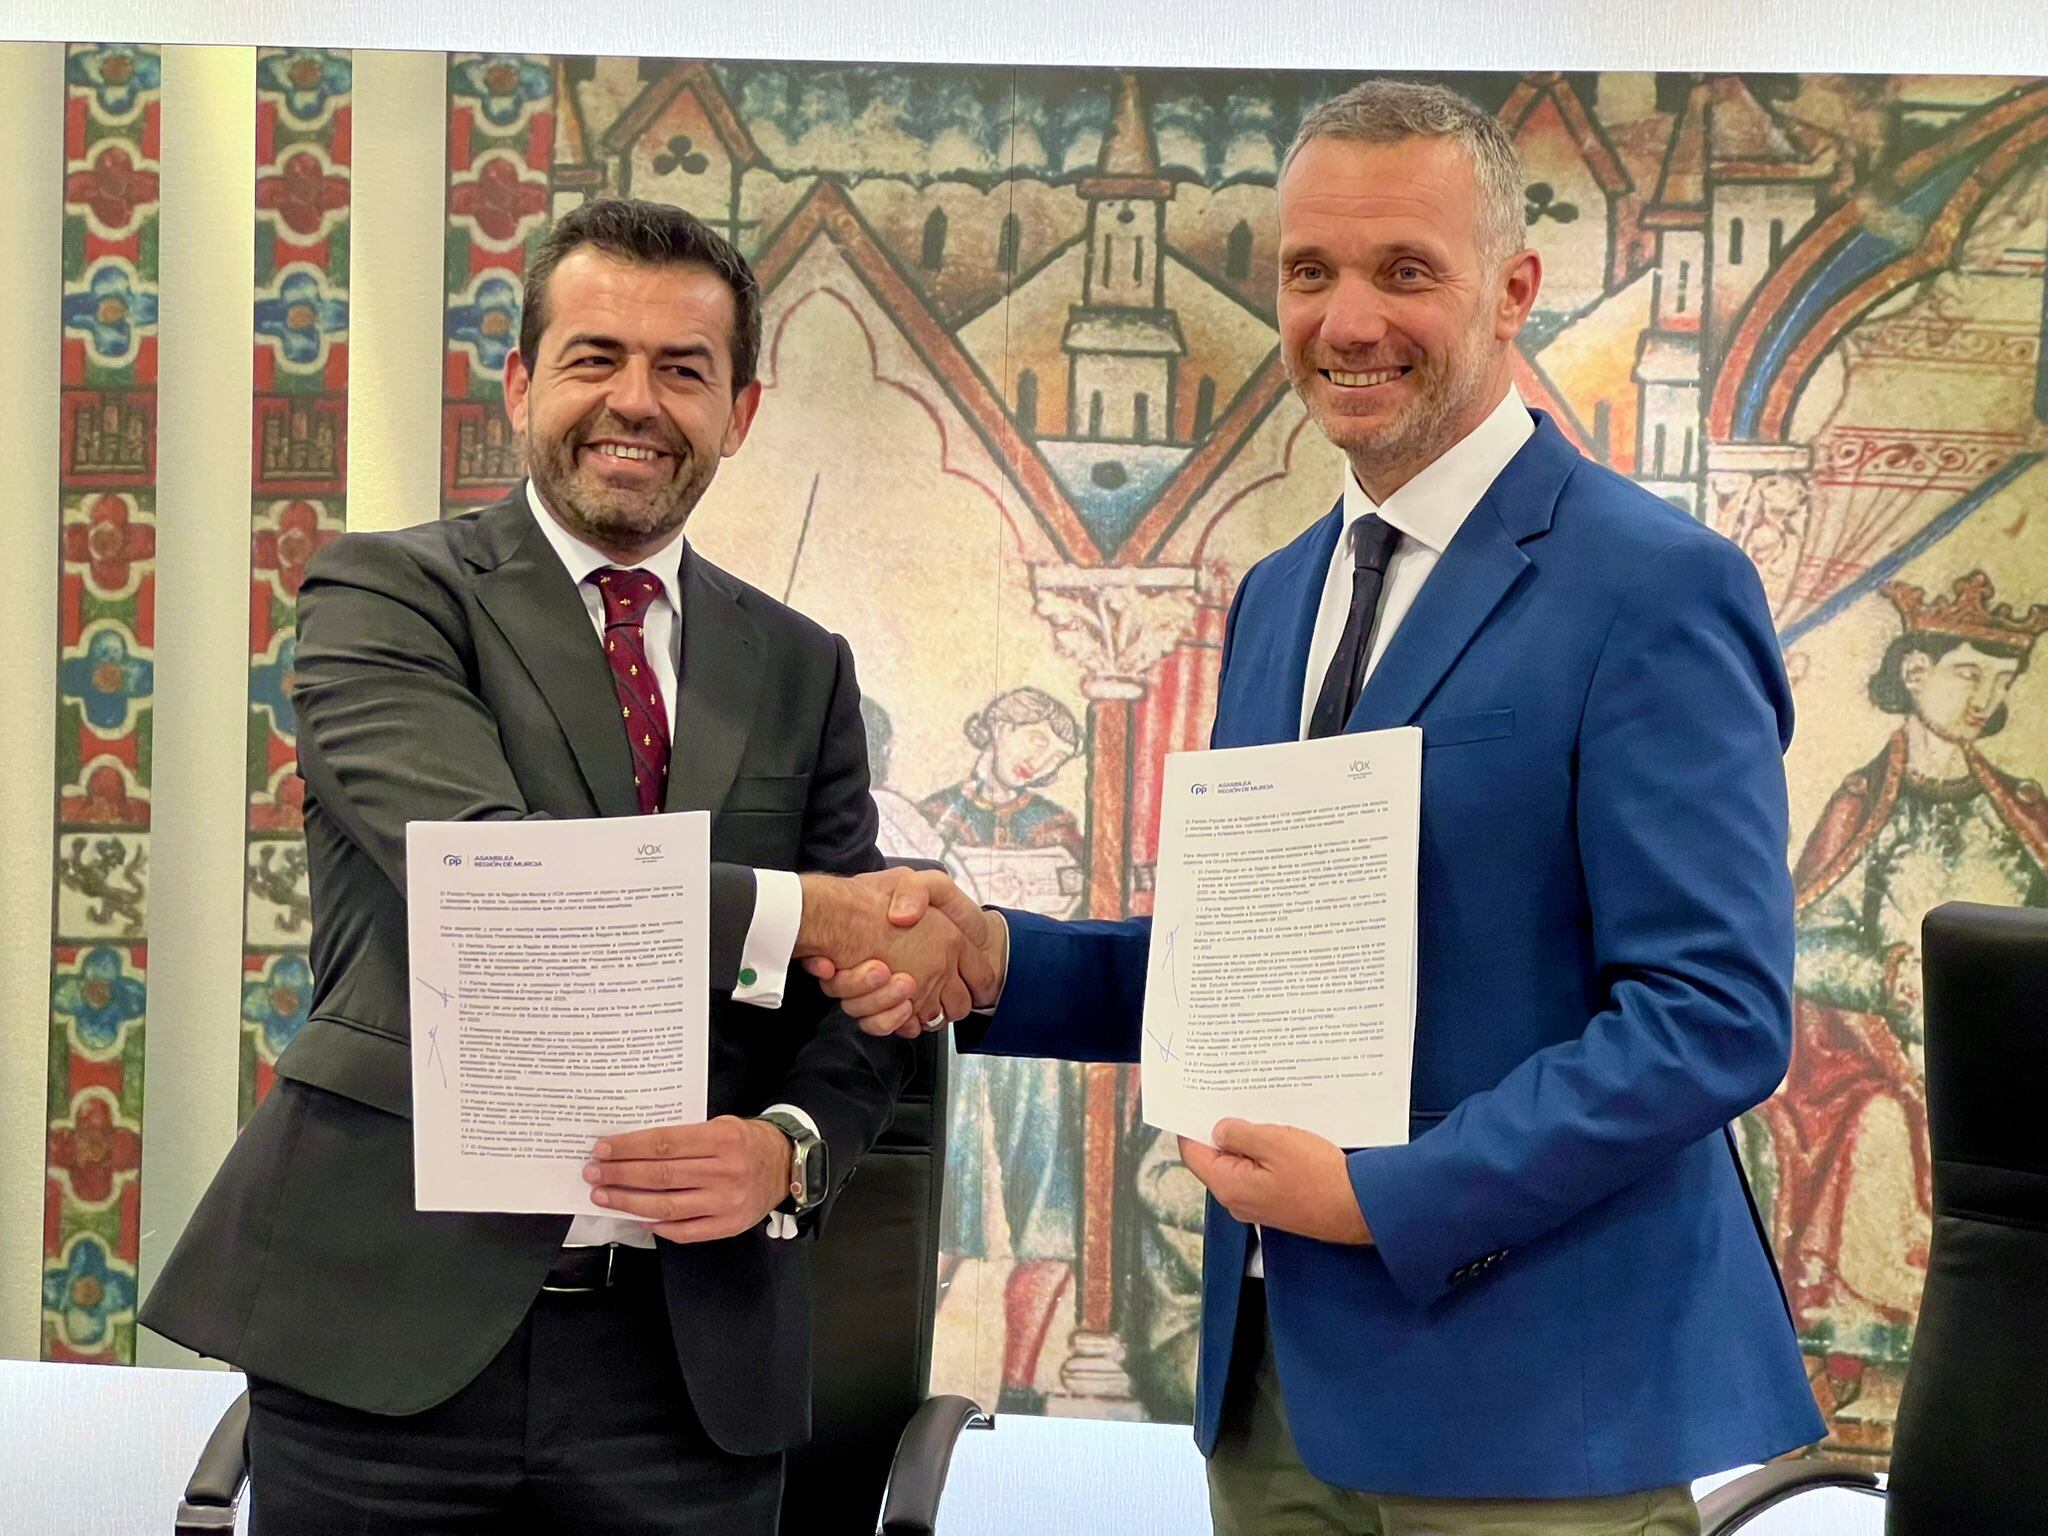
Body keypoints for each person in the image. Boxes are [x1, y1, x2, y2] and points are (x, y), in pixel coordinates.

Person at [817, 80, 1823, 1533]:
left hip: (1536, 1410)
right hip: (1274, 1390)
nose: (1348, 321)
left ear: (1513, 290)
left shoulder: (1654, 585)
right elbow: (1259, 967)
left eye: (1405, 271)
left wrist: (1382, 1198)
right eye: (1309, 272)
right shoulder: (1283, 592)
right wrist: (994, 961)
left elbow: (1710, 1014)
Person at [140, 198, 987, 1535]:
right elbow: (489, 877)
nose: (635, 401)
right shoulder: (386, 596)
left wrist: (786, 1151)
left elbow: (855, 1007)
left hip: (686, 1374)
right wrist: (813, 912)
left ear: (739, 412)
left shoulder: (800, 667)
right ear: (522, 384)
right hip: (382, 1338)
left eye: (682, 369)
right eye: (596, 357)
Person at [1761, 570, 2048, 1426]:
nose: (1984, 697)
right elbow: (1805, 940)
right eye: (1968, 673)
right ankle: (1857, 1364)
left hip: (2005, 1061)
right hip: (1875, 1052)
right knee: (1878, 1125)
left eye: (2001, 681)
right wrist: (1887, 977)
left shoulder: (2019, 811)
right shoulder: (1860, 804)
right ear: (1916, 672)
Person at [921, 687, 1088, 1413]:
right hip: (950, 1036)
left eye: (1053, 752)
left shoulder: (1060, 827)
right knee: (946, 1206)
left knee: (1045, 1210)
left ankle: (1021, 1392)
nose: (1036, 757)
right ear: (996, 728)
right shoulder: (934, 815)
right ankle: (907, 1370)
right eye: (1030, 737)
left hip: (1035, 1039)